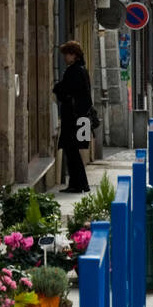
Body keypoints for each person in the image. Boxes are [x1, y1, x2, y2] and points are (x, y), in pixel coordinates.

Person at [53, 41, 94, 193]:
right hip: (79, 117)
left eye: (67, 54)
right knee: (73, 151)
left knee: (72, 151)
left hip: (73, 118)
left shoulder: (74, 71)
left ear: (74, 55)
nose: (65, 57)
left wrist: (58, 88)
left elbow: (63, 90)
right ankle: (79, 184)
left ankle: (79, 184)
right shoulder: (81, 70)